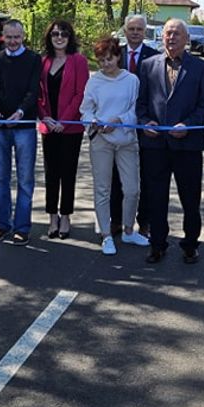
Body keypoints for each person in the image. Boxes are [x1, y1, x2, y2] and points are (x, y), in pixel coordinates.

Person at [135, 18, 204, 264]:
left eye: (176, 34)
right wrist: (145, 121)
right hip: (155, 144)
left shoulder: (200, 67)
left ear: (186, 39)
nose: (171, 38)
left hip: (187, 145)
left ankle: (190, 244)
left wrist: (188, 125)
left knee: (190, 198)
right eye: (167, 33)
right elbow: (141, 104)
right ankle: (157, 244)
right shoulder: (147, 65)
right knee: (156, 197)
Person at [80, 35, 144, 255]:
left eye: (109, 59)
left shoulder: (131, 80)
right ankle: (106, 235)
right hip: (101, 141)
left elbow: (136, 110)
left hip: (126, 140)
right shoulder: (94, 81)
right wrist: (94, 122)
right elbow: (85, 110)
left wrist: (119, 121)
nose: (105, 64)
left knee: (132, 189)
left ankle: (128, 229)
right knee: (102, 188)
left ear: (118, 57)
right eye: (101, 60)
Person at [0, 19, 42, 244]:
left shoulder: (34, 59)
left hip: (24, 126)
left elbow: (33, 90)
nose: (12, 41)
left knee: (25, 179)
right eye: (8, 37)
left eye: (16, 37)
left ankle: (22, 227)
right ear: (3, 36)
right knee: (0, 179)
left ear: (23, 36)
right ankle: (2, 225)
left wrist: (20, 112)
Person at [38, 19, 90, 239]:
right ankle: (52, 216)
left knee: (68, 173)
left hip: (70, 129)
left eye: (64, 34)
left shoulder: (78, 61)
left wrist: (65, 121)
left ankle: (66, 215)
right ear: (50, 37)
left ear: (70, 37)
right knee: (51, 174)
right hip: (48, 127)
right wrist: (46, 117)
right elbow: (38, 94)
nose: (59, 37)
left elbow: (81, 94)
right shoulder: (44, 61)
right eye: (55, 34)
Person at [110, 14, 159, 239]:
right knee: (116, 175)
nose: (136, 32)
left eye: (140, 29)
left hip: (144, 124)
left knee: (146, 176)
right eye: (131, 28)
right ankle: (117, 220)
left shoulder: (155, 57)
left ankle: (145, 221)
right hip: (116, 124)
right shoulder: (114, 54)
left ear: (145, 31)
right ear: (125, 30)